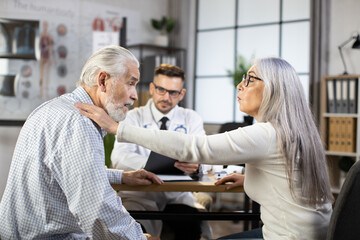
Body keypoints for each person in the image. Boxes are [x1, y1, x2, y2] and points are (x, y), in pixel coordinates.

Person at [75, 57, 335, 240]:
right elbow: (288, 176)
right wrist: (250, 178)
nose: (240, 85)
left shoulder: (267, 133)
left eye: (250, 79)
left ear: (274, 89)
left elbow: (197, 148)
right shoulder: (292, 130)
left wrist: (116, 128)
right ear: (153, 89)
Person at [0, 45, 162, 240]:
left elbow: (65, 171)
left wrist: (121, 177)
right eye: (130, 83)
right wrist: (139, 238)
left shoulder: (56, 108)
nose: (135, 95)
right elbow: (99, 212)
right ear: (103, 80)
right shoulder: (79, 123)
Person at [111, 64, 212, 239]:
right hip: (141, 195)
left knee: (191, 227)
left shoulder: (191, 118)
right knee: (136, 230)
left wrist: (197, 165)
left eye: (173, 93)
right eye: (161, 90)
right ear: (152, 88)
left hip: (177, 195)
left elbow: (205, 154)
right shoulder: (132, 117)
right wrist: (156, 165)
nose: (166, 97)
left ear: (181, 94)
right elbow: (119, 158)